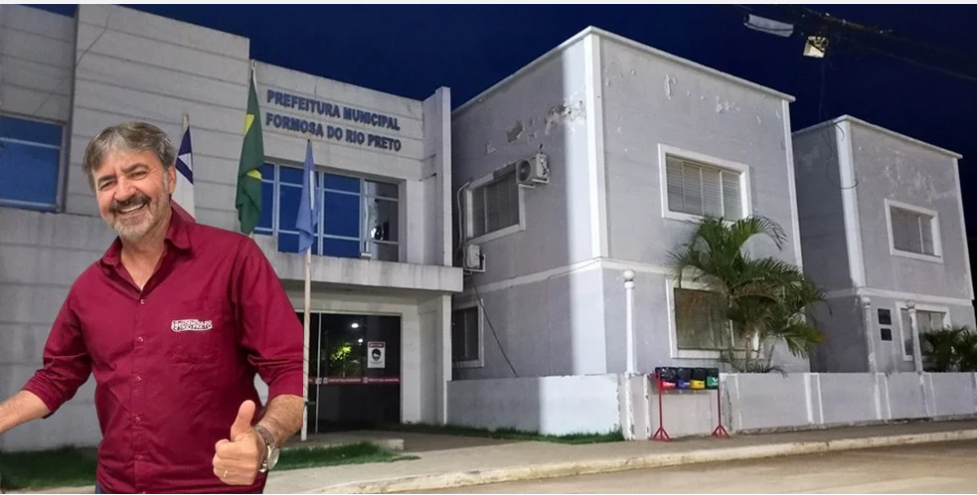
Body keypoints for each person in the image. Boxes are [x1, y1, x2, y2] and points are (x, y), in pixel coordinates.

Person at [0, 122, 305, 494]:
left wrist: (263, 439)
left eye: (137, 173)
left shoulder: (234, 260)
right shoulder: (88, 289)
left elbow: (289, 369)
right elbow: (56, 377)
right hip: (115, 487)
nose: (123, 192)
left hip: (212, 488)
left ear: (170, 178)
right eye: (107, 182)